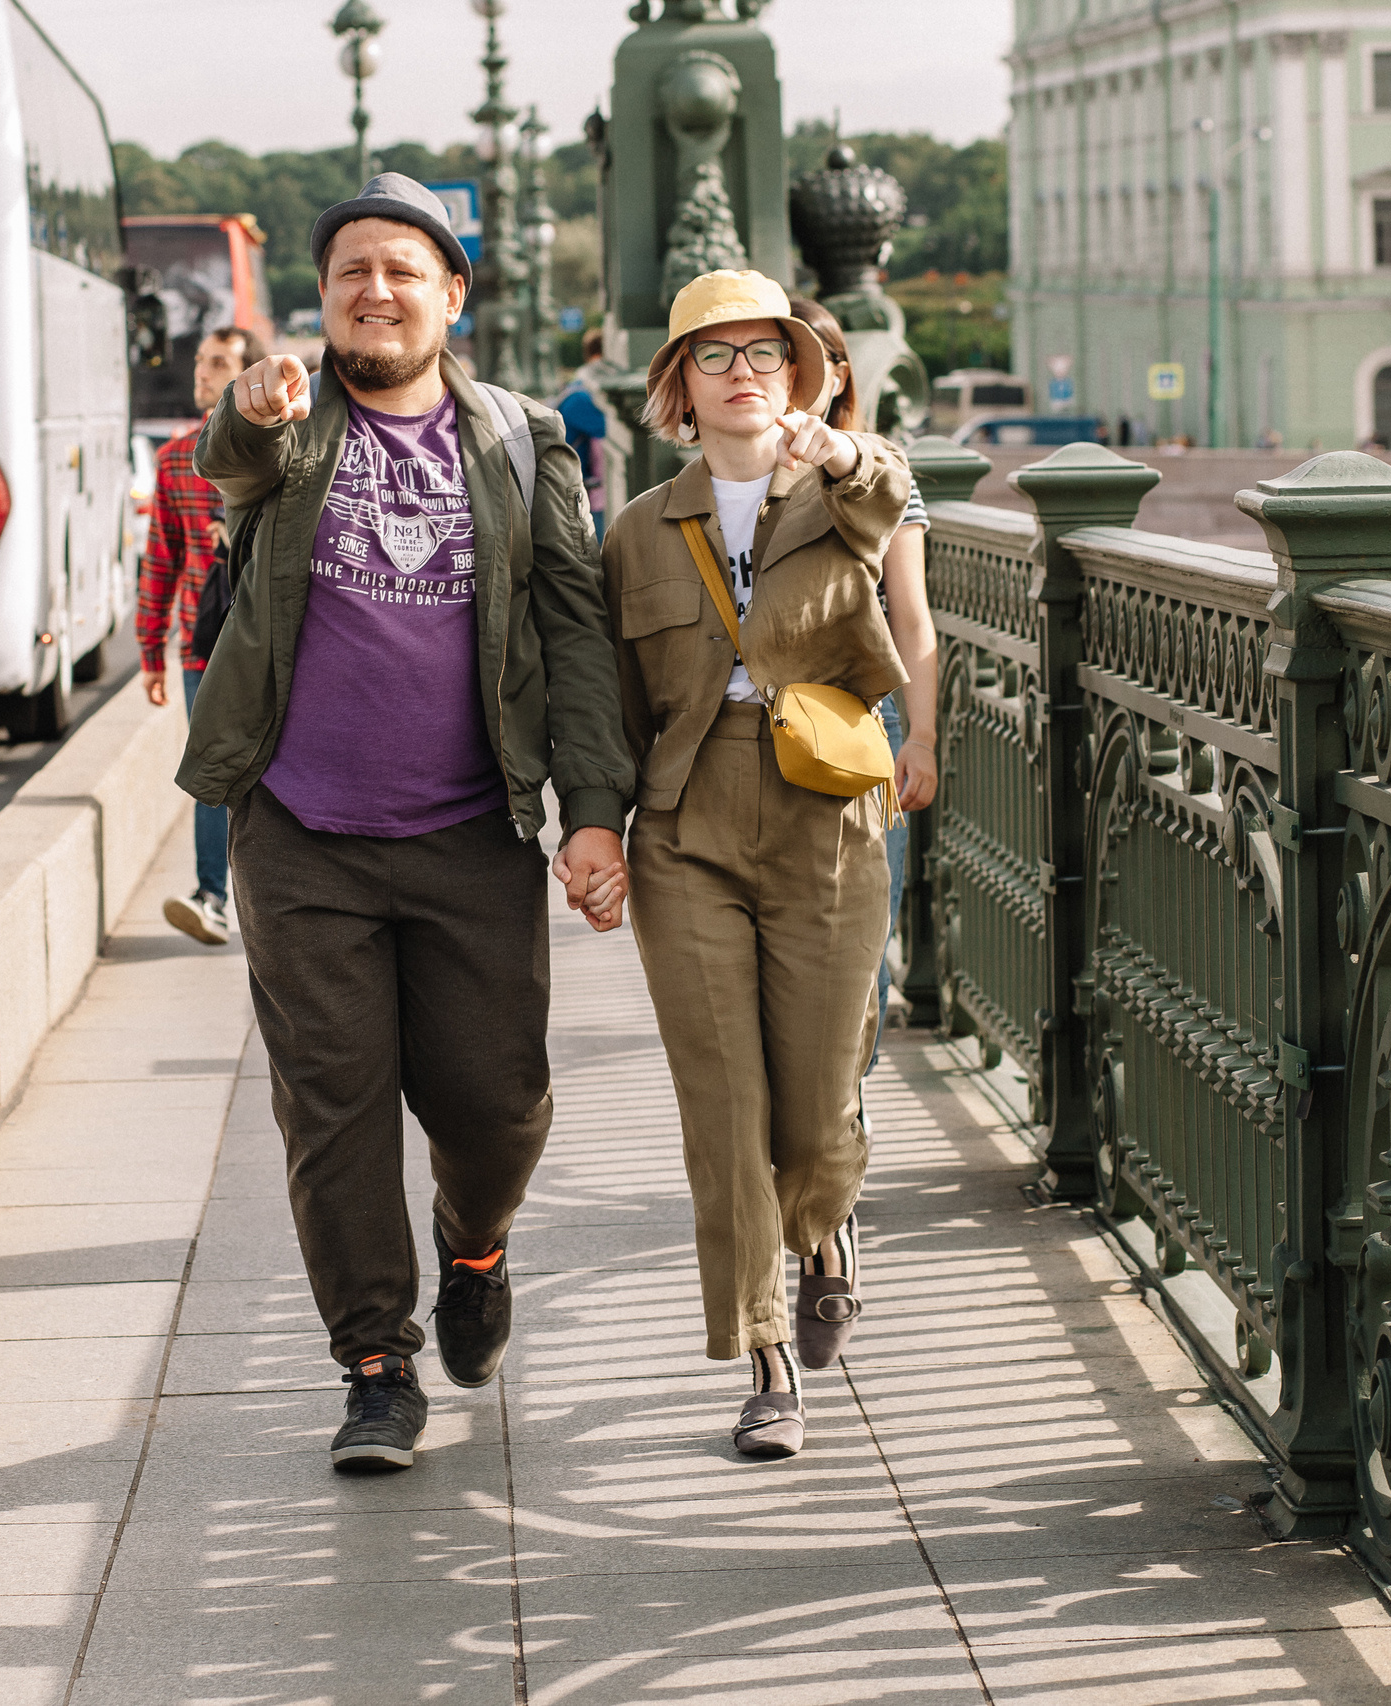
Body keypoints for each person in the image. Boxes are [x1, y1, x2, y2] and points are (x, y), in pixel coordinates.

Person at [180, 173, 635, 1474]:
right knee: (336, 1110)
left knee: (498, 1105)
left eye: (400, 270)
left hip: (472, 833)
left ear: (452, 293)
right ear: (323, 305)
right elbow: (236, 459)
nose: (373, 292)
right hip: (302, 833)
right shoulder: (291, 421)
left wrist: (593, 812)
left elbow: (575, 631)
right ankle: (376, 1363)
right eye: (347, 276)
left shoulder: (520, 437)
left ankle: (476, 1247)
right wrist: (246, 406)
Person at [602, 270, 911, 1459]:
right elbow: (604, 700)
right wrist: (593, 826)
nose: (743, 372)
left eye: (766, 354)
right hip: (684, 821)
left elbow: (887, 490)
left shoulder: (845, 493)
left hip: (822, 804)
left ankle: (827, 1227)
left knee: (821, 1100)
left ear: (801, 373)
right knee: (724, 1107)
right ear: (676, 386)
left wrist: (834, 448)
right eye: (714, 354)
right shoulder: (633, 531)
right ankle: (767, 1358)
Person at [789, 296, 939, 1047]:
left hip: (860, 723)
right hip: (753, 724)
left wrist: (923, 738)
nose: (784, 372)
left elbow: (910, 617)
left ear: (837, 371)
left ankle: (847, 1105)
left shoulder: (882, 471)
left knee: (860, 930)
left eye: (802, 355)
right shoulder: (726, 473)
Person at [142, 323, 268, 946]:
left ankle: (260, 895)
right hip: (204, 642)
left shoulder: (281, 449)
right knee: (212, 772)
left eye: (218, 363)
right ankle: (212, 897)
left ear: (247, 374)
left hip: (273, 640)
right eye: (200, 361)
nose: (202, 372)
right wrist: (149, 651)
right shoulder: (173, 460)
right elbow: (159, 562)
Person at [555, 328, 614, 539]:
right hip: (579, 494)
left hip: (581, 491)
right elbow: (611, 429)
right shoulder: (579, 398)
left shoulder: (576, 391)